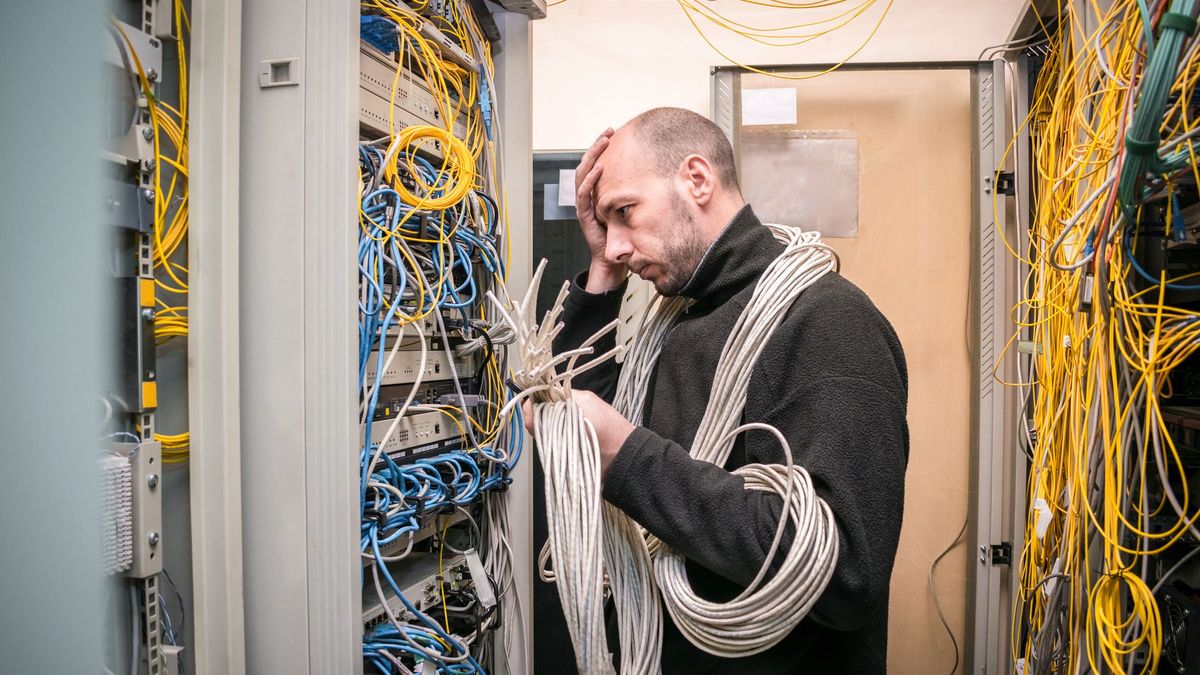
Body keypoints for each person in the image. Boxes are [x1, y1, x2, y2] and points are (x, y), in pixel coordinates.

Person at [527, 107, 909, 674]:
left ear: (697, 179)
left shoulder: (829, 324)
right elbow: (582, 426)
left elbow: (844, 573)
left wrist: (628, 457)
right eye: (607, 225)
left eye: (625, 212)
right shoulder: (682, 317)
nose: (617, 246)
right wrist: (601, 275)